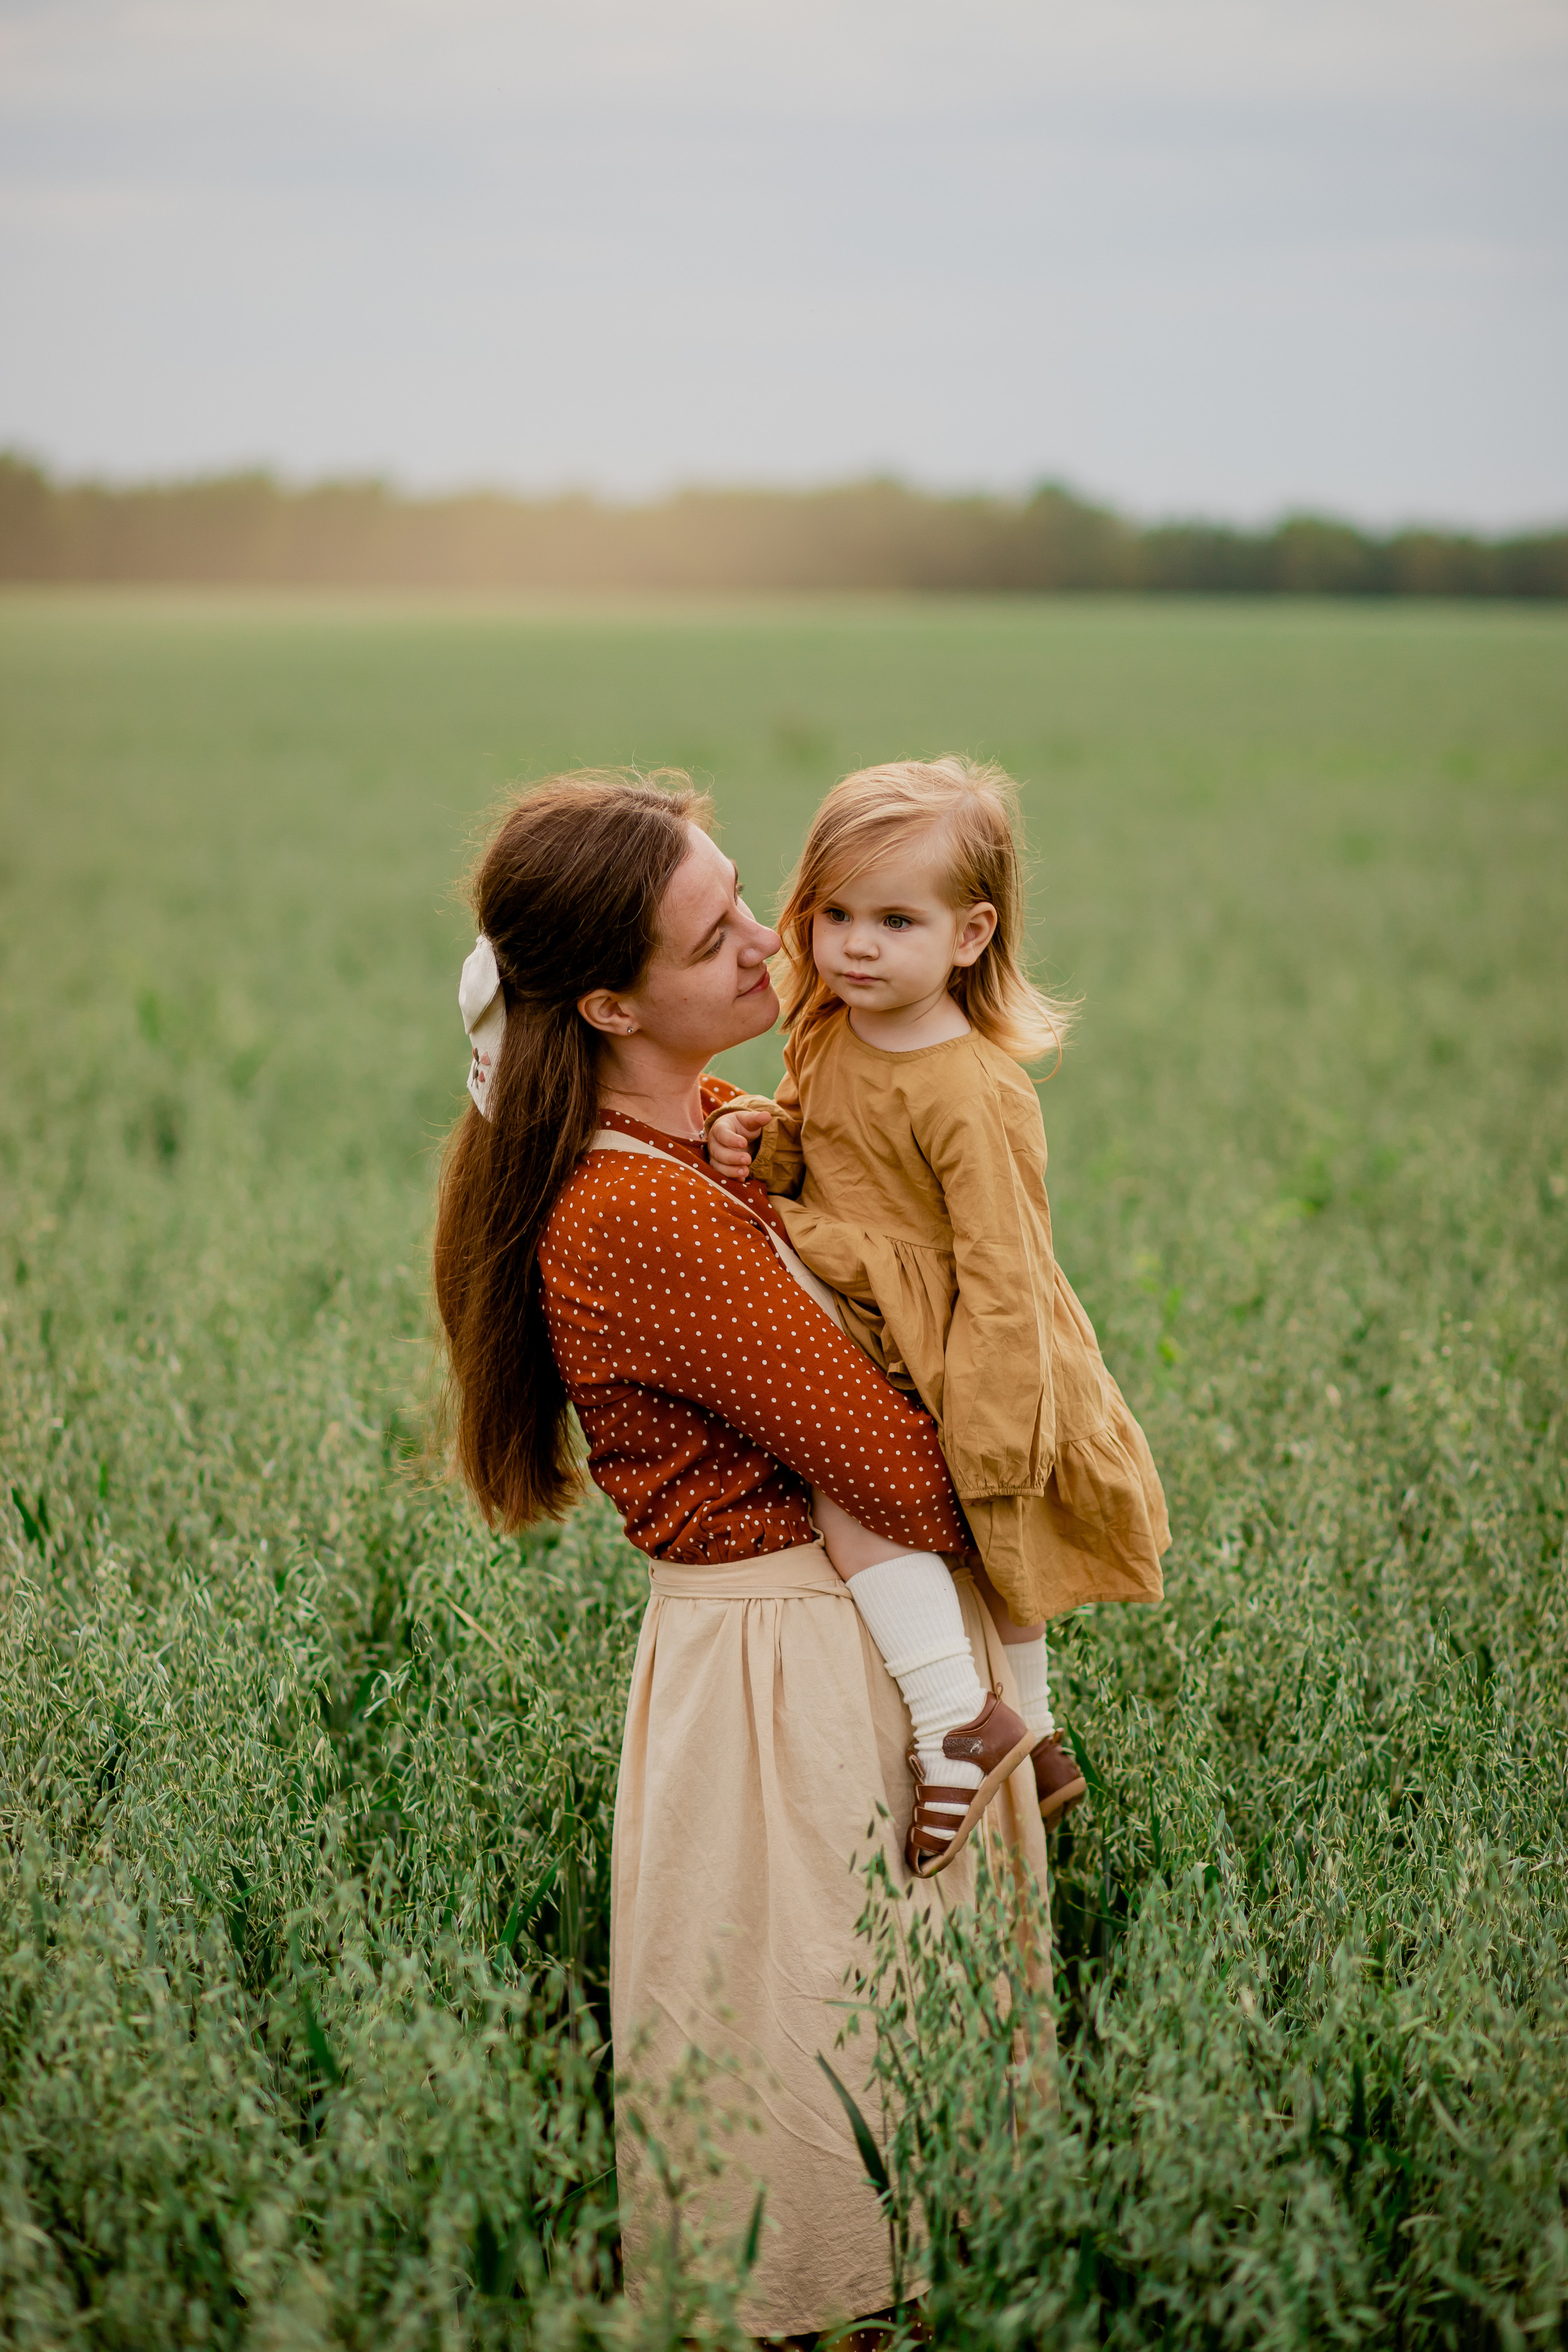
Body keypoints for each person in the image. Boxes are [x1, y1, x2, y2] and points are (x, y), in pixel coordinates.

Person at [432, 770, 1053, 2341]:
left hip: (850, 1650)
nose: (768, 949)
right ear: (605, 1004)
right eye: (712, 938)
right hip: (794, 1690)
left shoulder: (712, 1128)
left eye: (743, 904)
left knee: (898, 2123)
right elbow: (900, 1472)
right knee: (822, 2132)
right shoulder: (634, 1213)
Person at [707, 757, 1169, 1869]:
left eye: (895, 922)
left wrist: (999, 1413)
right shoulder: (829, 1031)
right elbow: (819, 1148)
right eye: (835, 916)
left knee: (977, 1531)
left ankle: (963, 1719)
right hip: (870, 1307)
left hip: (967, 1338)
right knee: (917, 1513)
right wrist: (758, 1139)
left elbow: (1006, 1262)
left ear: (970, 935)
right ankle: (1033, 1738)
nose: (856, 947)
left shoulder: (971, 1087)